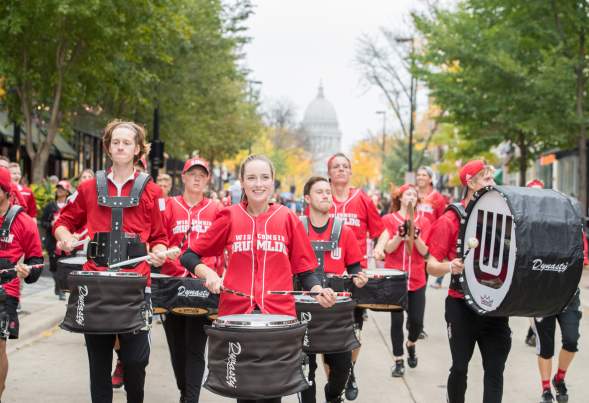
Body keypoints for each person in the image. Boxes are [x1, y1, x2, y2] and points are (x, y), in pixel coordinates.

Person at [181, 154, 336, 403]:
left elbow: (305, 270)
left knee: (272, 393)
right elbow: (189, 255)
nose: (258, 184)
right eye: (251, 178)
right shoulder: (229, 216)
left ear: (273, 182)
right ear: (242, 182)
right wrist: (207, 272)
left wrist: (318, 290)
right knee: (245, 393)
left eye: (264, 177)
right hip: (237, 318)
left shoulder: (287, 218)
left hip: (277, 319)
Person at [54, 120, 174, 403]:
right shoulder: (87, 188)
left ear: (137, 150)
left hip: (135, 287)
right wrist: (66, 237)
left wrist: (158, 250)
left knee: (135, 361)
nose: (120, 147)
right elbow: (63, 222)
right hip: (95, 285)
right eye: (116, 142)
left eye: (127, 143)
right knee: (98, 365)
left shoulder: (152, 191)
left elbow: (160, 237)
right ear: (108, 147)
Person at [426, 160, 511, 403]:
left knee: (495, 371)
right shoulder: (451, 219)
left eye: (493, 179)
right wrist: (450, 266)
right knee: (460, 367)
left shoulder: (501, 217)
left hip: (495, 307)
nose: (492, 184)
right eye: (486, 179)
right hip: (461, 304)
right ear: (470, 183)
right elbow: (431, 265)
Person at [299, 176, 368, 403]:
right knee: (306, 372)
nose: (326, 195)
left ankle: (332, 395)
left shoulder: (344, 231)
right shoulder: (297, 228)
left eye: (328, 192)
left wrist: (359, 277)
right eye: (320, 192)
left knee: (342, 368)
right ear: (307, 198)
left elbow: (355, 266)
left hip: (335, 310)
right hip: (304, 307)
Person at [160, 157, 221, 403]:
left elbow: (222, 245)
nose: (197, 178)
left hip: (203, 285)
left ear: (207, 179)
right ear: (183, 177)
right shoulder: (168, 205)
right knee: (177, 349)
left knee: (195, 348)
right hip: (173, 283)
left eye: (202, 174)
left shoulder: (217, 209)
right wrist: (162, 250)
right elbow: (159, 238)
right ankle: (185, 391)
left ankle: (189, 399)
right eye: (192, 173)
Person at [326, 152, 384, 401]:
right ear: (329, 173)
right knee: (326, 336)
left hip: (355, 276)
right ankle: (334, 387)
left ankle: (349, 371)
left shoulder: (362, 198)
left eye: (345, 166)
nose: (340, 170)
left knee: (354, 333)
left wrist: (380, 247)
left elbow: (381, 231)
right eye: (335, 166)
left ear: (350, 172)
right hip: (326, 277)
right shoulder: (321, 196)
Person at [374, 184, 431, 377]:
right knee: (396, 322)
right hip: (396, 280)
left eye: (415, 195)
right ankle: (398, 360)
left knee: (416, 322)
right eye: (408, 194)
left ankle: (411, 343)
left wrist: (415, 237)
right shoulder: (389, 219)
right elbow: (387, 249)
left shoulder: (425, 220)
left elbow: (425, 252)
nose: (411, 197)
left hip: (417, 279)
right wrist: (400, 236)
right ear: (400, 197)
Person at [0, 167, 44, 400]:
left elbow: (37, 261)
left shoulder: (23, 221)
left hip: (5, 292)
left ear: (6, 190)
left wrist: (27, 271)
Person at [414, 166, 447, 289]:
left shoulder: (438, 198)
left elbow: (442, 222)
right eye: (419, 174)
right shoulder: (411, 194)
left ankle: (418, 303)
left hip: (427, 244)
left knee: (422, 279)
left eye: (424, 175)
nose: (420, 177)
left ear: (430, 179)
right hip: (409, 241)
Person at [40, 180, 73, 300]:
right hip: (53, 242)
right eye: (58, 188)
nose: (59, 190)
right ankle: (58, 287)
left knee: (65, 265)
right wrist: (51, 224)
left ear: (67, 191)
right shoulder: (50, 206)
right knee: (54, 266)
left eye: (62, 188)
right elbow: (43, 222)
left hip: (68, 240)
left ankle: (61, 289)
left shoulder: (71, 205)